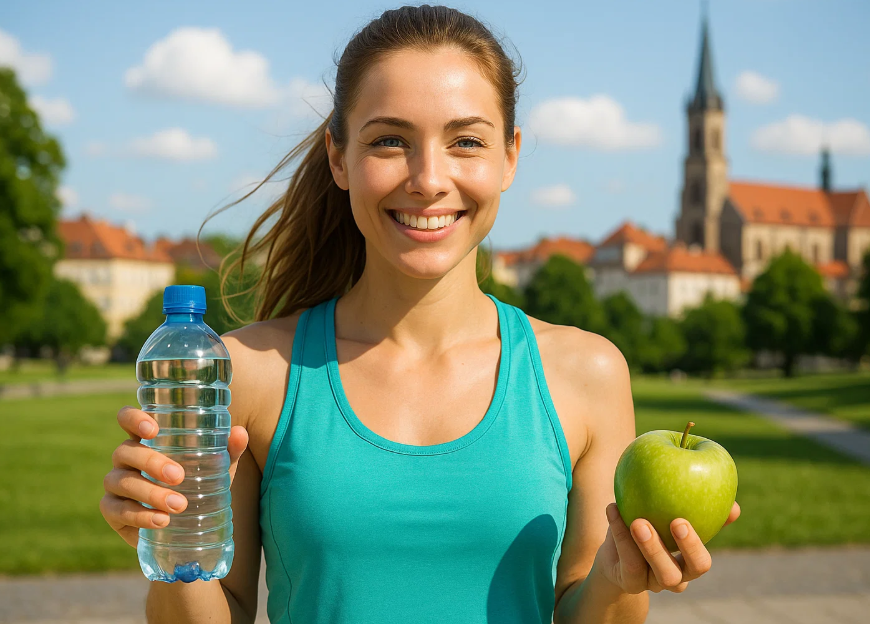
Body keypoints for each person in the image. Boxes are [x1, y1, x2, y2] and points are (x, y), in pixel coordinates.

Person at [99, 5, 740, 623]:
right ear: (338, 158)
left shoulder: (587, 374)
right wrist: (170, 545)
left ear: (509, 156)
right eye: (389, 141)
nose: (429, 179)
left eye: (465, 140)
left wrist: (617, 579)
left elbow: (585, 612)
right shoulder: (248, 372)